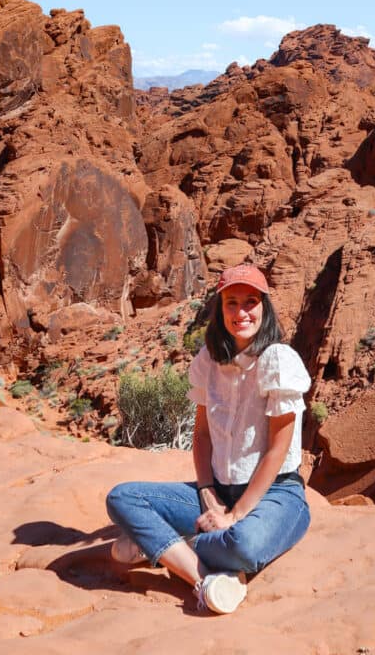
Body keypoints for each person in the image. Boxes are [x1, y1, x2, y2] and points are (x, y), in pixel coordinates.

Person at [105, 263, 311, 614]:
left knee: (244, 544)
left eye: (251, 302)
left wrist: (235, 515)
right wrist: (206, 492)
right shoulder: (209, 361)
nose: (241, 312)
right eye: (232, 303)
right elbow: (201, 435)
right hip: (218, 491)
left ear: (264, 306)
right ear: (220, 309)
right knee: (122, 498)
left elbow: (278, 448)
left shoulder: (278, 359)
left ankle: (169, 547)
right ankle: (201, 577)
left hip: (275, 494)